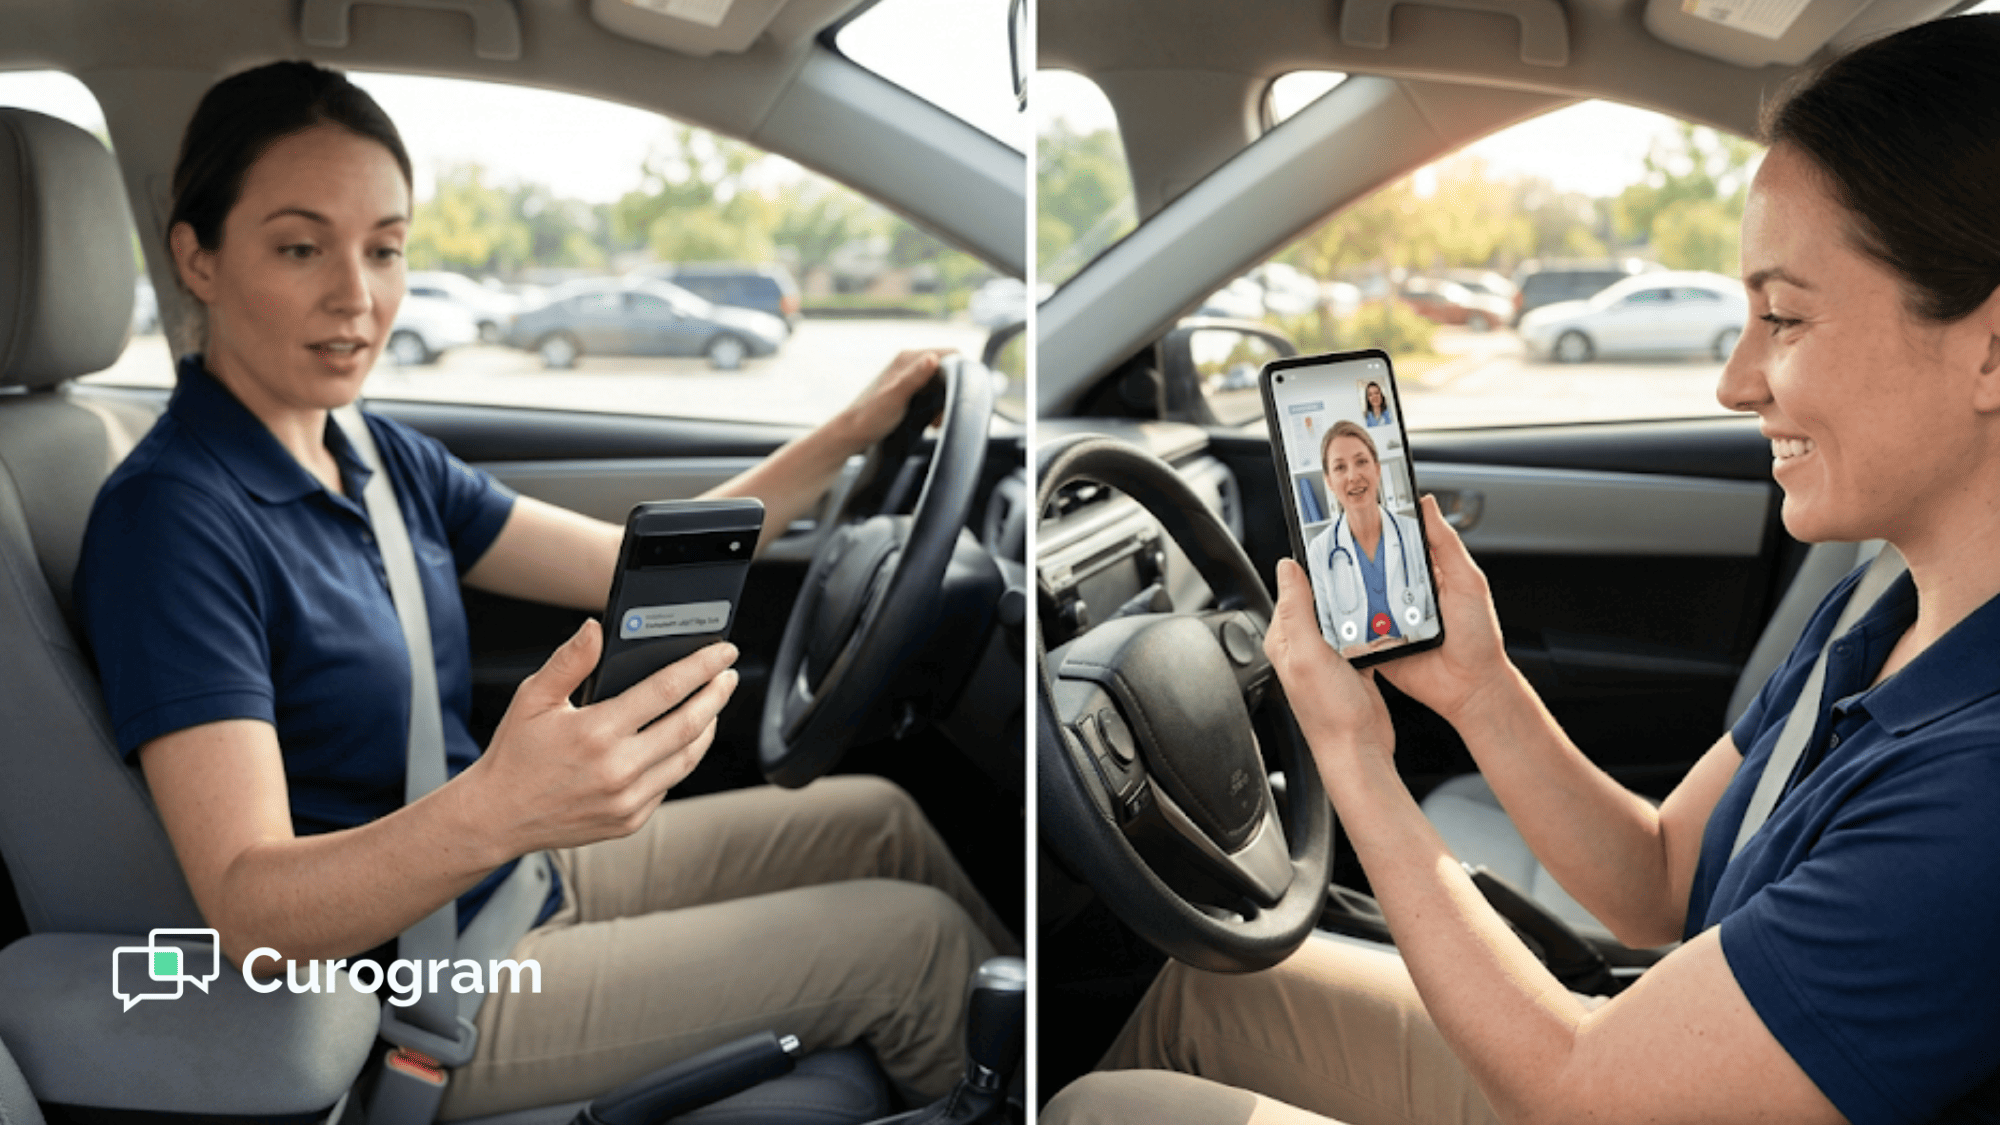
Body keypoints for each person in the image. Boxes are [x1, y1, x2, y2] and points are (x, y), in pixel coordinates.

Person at [1046, 13, 2000, 1124]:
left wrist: (1352, 760)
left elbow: (1578, 1096)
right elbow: (1660, 880)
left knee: (1102, 1113)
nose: (1733, 381)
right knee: (1196, 1000)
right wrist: (1478, 689)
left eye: (1780, 317)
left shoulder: (1973, 795)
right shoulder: (1885, 607)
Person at [74, 61, 1015, 1120]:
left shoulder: (374, 455)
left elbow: (636, 564)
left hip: (512, 877)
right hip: (415, 988)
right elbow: (248, 910)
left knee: (879, 818)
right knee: (911, 946)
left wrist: (852, 431)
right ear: (196, 258)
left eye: (385, 249)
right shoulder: (172, 520)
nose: (358, 295)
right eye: (300, 248)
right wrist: (499, 807)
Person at [1304, 420, 1435, 655]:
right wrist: (1347, 654)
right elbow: (1324, 636)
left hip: (1418, 660)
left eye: (1361, 461)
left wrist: (1409, 640)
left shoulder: (1414, 532)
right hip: (1358, 677)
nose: (1353, 476)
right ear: (1329, 482)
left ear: (1377, 468)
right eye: (1340, 467)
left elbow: (1439, 616)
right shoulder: (1319, 550)